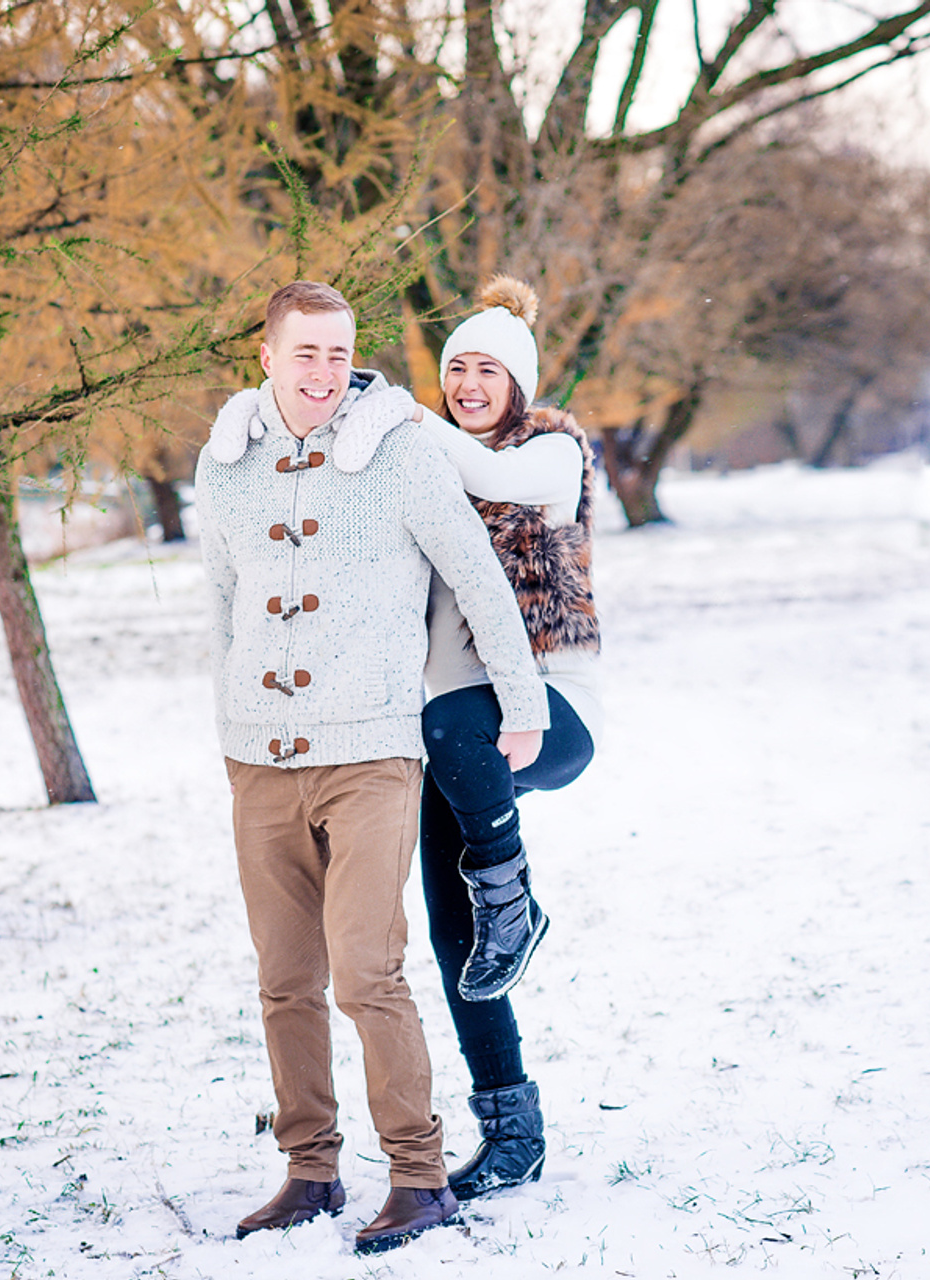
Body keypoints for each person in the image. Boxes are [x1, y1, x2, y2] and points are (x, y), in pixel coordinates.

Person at [194, 281, 550, 1253]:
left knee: (365, 970)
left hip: (371, 752)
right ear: (265, 355)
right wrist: (226, 713)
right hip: (259, 752)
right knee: (284, 977)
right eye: (304, 352)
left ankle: (418, 1174)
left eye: (337, 353)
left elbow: (475, 571)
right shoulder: (225, 461)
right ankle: (309, 1169)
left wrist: (521, 701)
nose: (323, 372)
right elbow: (220, 595)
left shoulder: (393, 451)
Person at [416, 275, 603, 1200]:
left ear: (518, 382)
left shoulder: (551, 454)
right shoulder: (431, 461)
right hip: (458, 738)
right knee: (456, 936)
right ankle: (512, 1123)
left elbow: (485, 473)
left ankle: (513, 896)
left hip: (552, 711)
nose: (467, 383)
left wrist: (399, 421)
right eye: (454, 368)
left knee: (450, 720)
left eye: (487, 368)